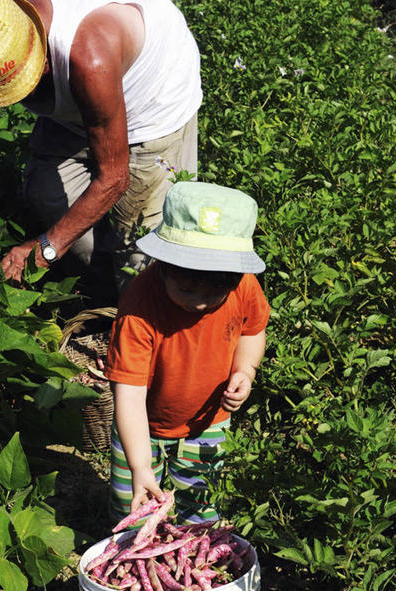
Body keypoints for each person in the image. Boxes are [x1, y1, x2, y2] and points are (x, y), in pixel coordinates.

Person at [0, 0, 201, 301]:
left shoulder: (89, 57)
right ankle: (105, 295)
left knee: (140, 251)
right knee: (46, 193)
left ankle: (142, 305)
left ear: (43, 63)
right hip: (84, 90)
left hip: (149, 105)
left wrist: (46, 249)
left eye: (13, 89)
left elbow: (114, 177)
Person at [104, 181, 271, 525]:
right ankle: (132, 542)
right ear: (163, 265)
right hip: (141, 424)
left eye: (214, 293)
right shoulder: (139, 306)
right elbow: (129, 394)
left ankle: (191, 547)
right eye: (186, 290)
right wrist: (140, 465)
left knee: (200, 506)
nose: (199, 302)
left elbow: (253, 330)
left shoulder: (244, 286)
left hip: (208, 419)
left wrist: (245, 371)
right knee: (133, 505)